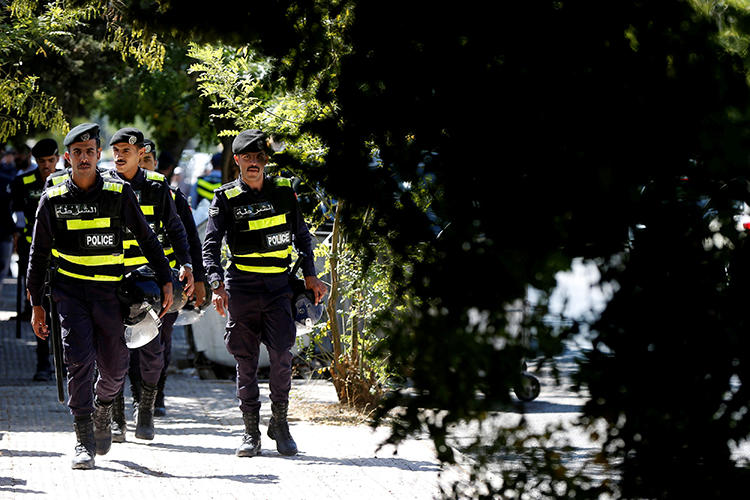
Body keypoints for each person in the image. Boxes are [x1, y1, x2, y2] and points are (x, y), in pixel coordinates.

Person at [27, 123, 174, 470]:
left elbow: (147, 238)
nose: (83, 158)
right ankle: (82, 439)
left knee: (114, 368)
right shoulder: (54, 198)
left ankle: (104, 409)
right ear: (68, 157)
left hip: (110, 293)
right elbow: (37, 255)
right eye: (76, 152)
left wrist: (166, 280)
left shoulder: (118, 192)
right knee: (78, 361)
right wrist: (36, 304)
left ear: (97, 154)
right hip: (71, 293)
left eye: (89, 151)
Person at [203, 129, 327, 457]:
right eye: (247, 158)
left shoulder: (284, 191)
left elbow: (302, 236)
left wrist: (311, 276)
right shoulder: (226, 198)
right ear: (238, 161)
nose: (254, 163)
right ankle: (249, 433)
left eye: (259, 157)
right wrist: (216, 285)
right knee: (245, 361)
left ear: (266, 161)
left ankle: (280, 423)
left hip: (278, 287)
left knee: (282, 356)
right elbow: (211, 246)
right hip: (242, 288)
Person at [103, 129, 194, 444]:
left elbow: (176, 228)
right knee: (113, 352)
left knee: (152, 352)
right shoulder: (105, 185)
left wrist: (186, 265)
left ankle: (145, 407)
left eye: (126, 150)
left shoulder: (157, 186)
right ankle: (116, 420)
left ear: (141, 153)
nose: (119, 155)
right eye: (115, 150)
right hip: (113, 281)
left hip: (150, 283)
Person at [122, 138, 206, 420]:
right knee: (132, 341)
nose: (142, 167)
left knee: (161, 342)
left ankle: (156, 395)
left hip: (165, 284)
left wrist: (198, 277)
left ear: (154, 164)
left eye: (147, 162)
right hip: (129, 283)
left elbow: (190, 239)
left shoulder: (169, 194)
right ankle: (136, 398)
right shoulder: (116, 194)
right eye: (138, 161)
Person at [11, 138, 60, 380]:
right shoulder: (23, 182)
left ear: (58, 159)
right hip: (35, 253)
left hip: (63, 255)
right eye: (42, 162)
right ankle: (43, 364)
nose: (47, 166)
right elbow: (17, 216)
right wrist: (18, 238)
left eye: (51, 161)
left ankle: (63, 361)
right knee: (39, 309)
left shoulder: (66, 180)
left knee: (62, 309)